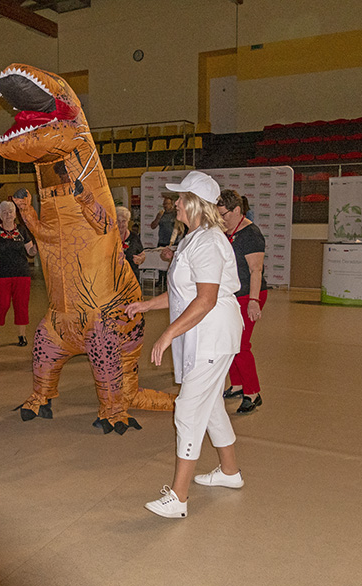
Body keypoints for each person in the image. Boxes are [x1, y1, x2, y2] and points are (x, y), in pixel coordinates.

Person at [125, 171, 243, 519]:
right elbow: (183, 293)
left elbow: (205, 300)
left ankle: (178, 497)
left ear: (193, 203)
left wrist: (168, 333)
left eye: (179, 199)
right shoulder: (194, 239)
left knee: (188, 410)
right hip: (203, 333)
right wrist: (145, 305)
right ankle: (230, 472)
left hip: (212, 334)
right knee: (210, 407)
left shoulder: (207, 242)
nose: (174, 203)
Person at [217, 190, 268, 413]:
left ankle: (252, 392)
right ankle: (237, 385)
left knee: (241, 345)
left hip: (250, 294)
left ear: (237, 210)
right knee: (231, 342)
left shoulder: (251, 234)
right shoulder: (227, 231)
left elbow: (256, 270)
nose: (221, 219)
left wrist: (254, 301)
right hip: (232, 294)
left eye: (224, 214)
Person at [0, 200, 37, 346]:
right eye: (4, 212)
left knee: (21, 305)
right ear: (0, 215)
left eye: (10, 212)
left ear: (15, 214)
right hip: (1, 274)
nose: (8, 215)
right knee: (2, 304)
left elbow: (30, 251)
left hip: (22, 273)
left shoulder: (22, 230)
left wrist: (36, 248)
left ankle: (22, 336)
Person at [116, 206, 145, 282]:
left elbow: (142, 254)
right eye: (118, 221)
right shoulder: (109, 238)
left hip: (132, 279)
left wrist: (140, 259)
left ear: (128, 222)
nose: (121, 224)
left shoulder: (134, 237)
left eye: (124, 221)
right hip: (113, 279)